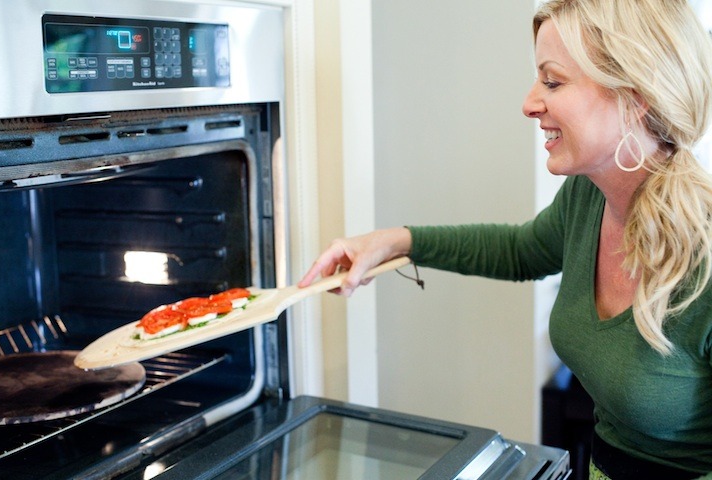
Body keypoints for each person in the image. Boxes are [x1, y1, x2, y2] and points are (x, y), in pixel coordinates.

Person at [298, 0, 712, 478]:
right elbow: (520, 250)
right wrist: (395, 242)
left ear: (635, 96)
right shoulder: (588, 199)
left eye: (553, 81)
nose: (530, 102)